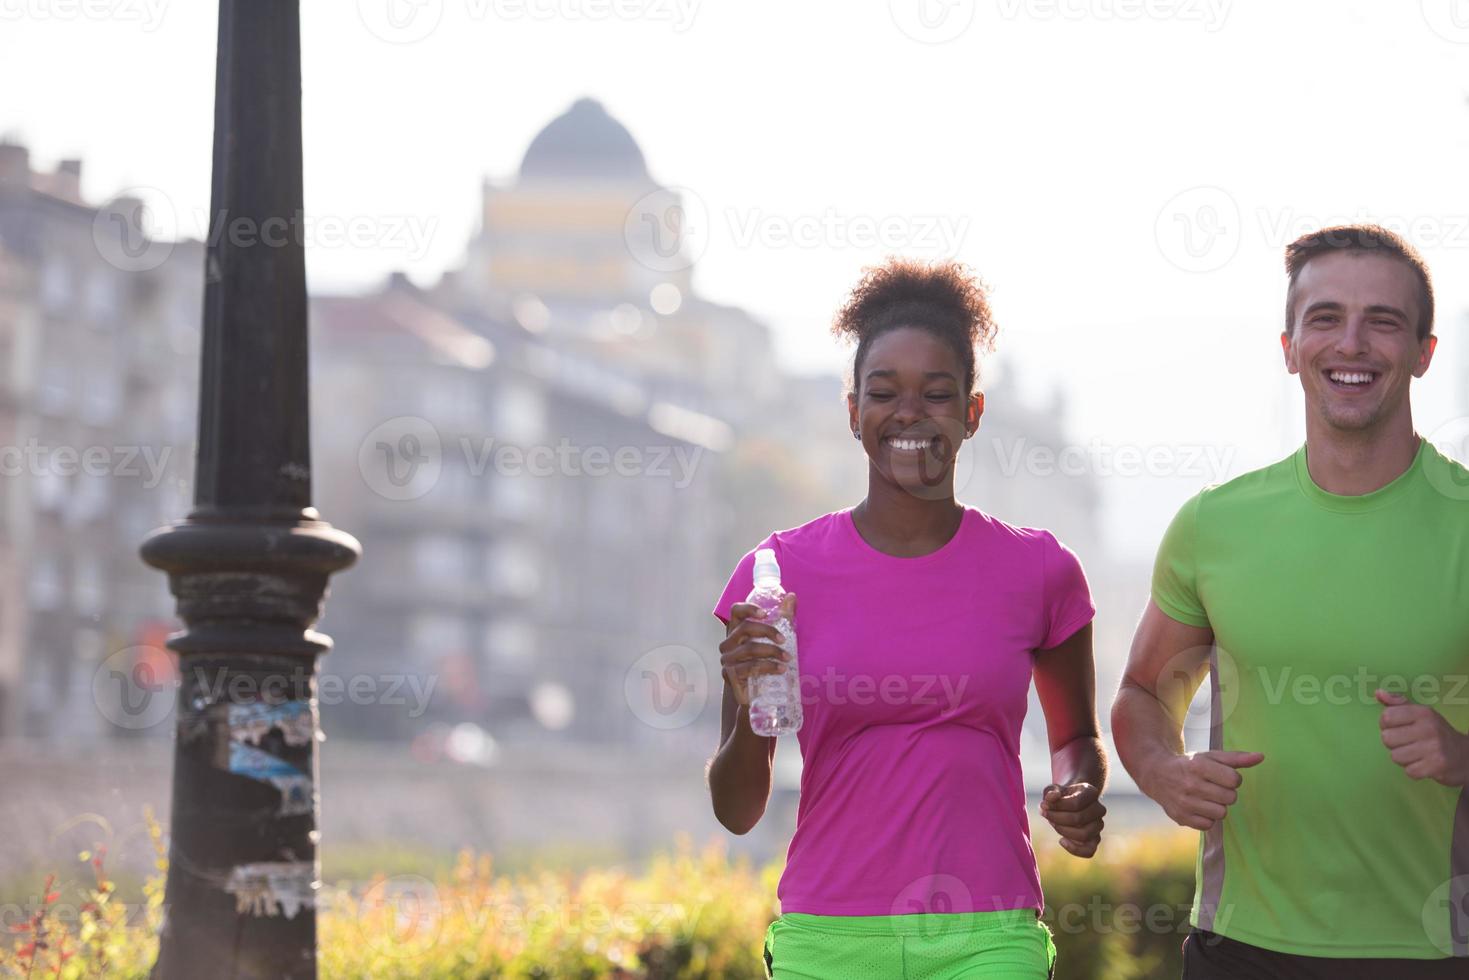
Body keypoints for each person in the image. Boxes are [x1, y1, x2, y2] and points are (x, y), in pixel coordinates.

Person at [707, 258, 1107, 980]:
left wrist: (1079, 788)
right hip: (826, 938)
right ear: (853, 411)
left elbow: (1075, 737)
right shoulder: (774, 576)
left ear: (971, 413)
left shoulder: (1040, 571)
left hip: (989, 936)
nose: (908, 415)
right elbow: (737, 810)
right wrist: (741, 702)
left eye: (936, 394)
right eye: (884, 393)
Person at [1111, 224, 1469, 977]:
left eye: (1382, 321)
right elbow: (1144, 693)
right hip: (1244, 948)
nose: (1351, 344)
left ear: (1423, 352)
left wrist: (1462, 753)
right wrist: (1165, 772)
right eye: (1325, 318)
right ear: (1288, 347)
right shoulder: (1215, 524)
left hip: (1438, 950)